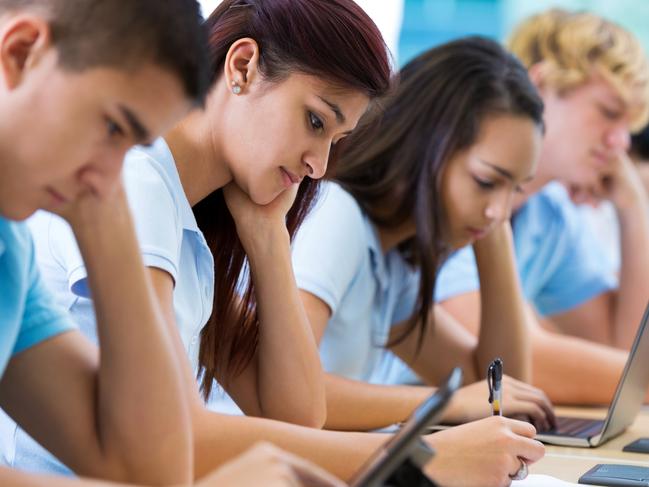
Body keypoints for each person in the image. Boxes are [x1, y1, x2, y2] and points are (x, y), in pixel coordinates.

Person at [4, 4, 544, 487]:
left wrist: (268, 239)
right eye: (315, 122)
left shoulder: (184, 220)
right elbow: (178, 443)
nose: (320, 166)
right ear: (241, 67)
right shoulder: (139, 181)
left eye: (335, 141)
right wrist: (418, 455)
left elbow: (290, 413)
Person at [289, 36, 555, 433]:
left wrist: (495, 237)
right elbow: (287, 394)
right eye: (486, 181)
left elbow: (497, 395)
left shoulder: (391, 258)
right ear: (425, 144)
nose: (500, 210)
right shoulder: (336, 215)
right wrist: (440, 403)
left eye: (514, 188)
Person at [436, 9, 649, 405]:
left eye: (629, 125)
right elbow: (502, 363)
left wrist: (633, 209)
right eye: (608, 112)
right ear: (540, 86)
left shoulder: (551, 213)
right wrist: (641, 383)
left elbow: (626, 349)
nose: (620, 142)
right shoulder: (458, 188)